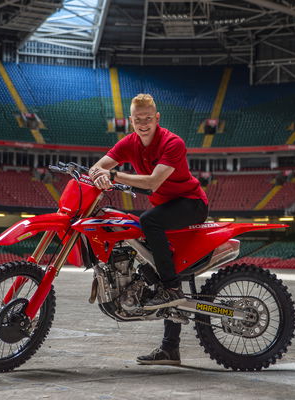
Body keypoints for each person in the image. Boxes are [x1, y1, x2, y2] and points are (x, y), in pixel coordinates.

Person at [89, 93, 209, 366]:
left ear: (156, 118)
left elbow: (154, 182)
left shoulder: (172, 143)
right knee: (147, 258)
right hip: (164, 208)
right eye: (137, 119)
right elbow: (99, 165)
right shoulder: (129, 143)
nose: (142, 124)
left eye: (147, 119)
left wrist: (114, 175)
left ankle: (172, 290)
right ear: (131, 120)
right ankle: (170, 348)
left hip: (190, 204)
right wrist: (97, 174)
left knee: (148, 221)